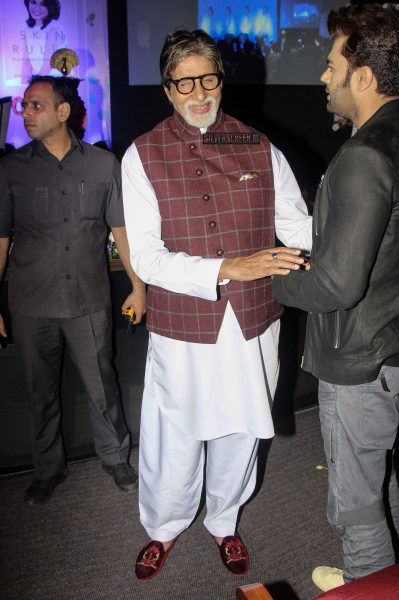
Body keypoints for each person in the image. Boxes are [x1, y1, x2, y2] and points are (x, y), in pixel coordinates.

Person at [122, 28, 312, 580]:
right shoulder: (142, 155)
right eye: (184, 83)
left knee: (241, 428)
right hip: (183, 324)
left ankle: (224, 522)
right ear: (167, 89)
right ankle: (163, 527)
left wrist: (353, 219)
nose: (198, 92)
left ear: (220, 81)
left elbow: (296, 225)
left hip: (253, 322)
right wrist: (226, 268)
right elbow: (149, 260)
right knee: (175, 431)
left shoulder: (260, 146)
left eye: (208, 79)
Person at [272, 4, 399, 592]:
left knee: (357, 503)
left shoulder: (363, 156)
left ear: (364, 77)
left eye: (331, 66)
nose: (323, 76)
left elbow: (335, 286)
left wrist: (268, 280)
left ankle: (366, 582)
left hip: (359, 363)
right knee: (386, 481)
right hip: (392, 349)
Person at [0, 75, 146, 505]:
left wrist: (138, 287)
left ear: (63, 112)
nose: (25, 113)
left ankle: (115, 457)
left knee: (104, 385)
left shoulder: (103, 165)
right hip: (31, 302)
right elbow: (1, 239)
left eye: (36, 105)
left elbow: (121, 230)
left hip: (88, 299)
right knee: (39, 391)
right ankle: (47, 468)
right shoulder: (10, 169)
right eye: (24, 106)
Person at [21, 0, 65, 83]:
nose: (37, 8)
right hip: (39, 79)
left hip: (55, 81)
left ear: (50, 7)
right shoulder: (27, 28)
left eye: (43, 4)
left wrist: (34, 88)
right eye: (33, 2)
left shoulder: (54, 28)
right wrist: (23, 89)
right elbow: (26, 63)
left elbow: (47, 65)